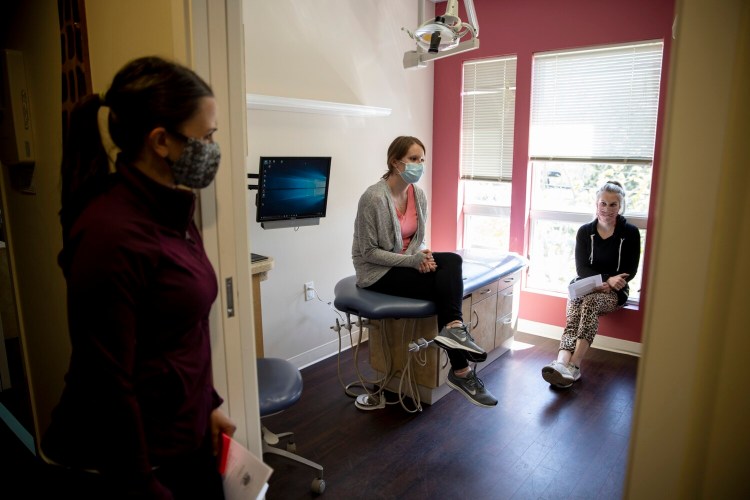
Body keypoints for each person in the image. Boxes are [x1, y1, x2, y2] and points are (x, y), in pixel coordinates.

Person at [40, 56, 235, 499]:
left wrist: (208, 405)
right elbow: (105, 380)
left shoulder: (172, 208)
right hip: (142, 462)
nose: (212, 148)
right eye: (205, 137)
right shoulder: (111, 235)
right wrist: (142, 483)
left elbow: (181, 335)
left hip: (186, 434)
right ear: (161, 141)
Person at [351, 136, 497, 408]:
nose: (420, 165)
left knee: (451, 261)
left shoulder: (417, 195)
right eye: (413, 159)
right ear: (396, 163)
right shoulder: (373, 198)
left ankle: (454, 330)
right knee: (445, 290)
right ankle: (461, 371)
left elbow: (418, 240)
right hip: (376, 273)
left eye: (422, 159)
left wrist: (423, 257)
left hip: (407, 262)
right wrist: (413, 261)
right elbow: (368, 253)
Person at [542, 180, 641, 388]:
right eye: (603, 203)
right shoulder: (585, 232)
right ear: (596, 205)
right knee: (575, 305)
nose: (607, 209)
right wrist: (605, 278)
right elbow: (582, 269)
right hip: (586, 284)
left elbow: (630, 269)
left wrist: (612, 283)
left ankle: (574, 366)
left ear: (620, 206)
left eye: (613, 204)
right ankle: (560, 363)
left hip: (615, 291)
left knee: (589, 304)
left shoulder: (630, 233)